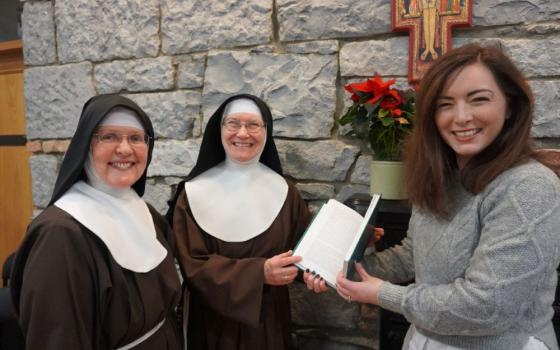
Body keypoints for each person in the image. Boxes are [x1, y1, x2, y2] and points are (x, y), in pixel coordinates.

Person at [334, 44, 560, 349]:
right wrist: (347, 269)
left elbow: (486, 306)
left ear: (510, 107)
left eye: (478, 99)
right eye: (445, 104)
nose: (461, 117)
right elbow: (412, 254)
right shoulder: (441, 177)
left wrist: (381, 294)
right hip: (424, 339)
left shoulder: (528, 186)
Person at [10, 95, 182, 349]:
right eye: (109, 136)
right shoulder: (60, 235)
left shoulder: (144, 211)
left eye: (136, 138)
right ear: (85, 145)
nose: (125, 149)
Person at [167, 94, 312, 350]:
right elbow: (193, 266)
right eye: (233, 123)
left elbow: (304, 251)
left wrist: (355, 240)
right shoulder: (191, 193)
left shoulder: (287, 193)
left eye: (253, 125)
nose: (243, 133)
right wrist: (259, 273)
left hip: (268, 323)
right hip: (210, 325)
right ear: (219, 129)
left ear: (266, 132)